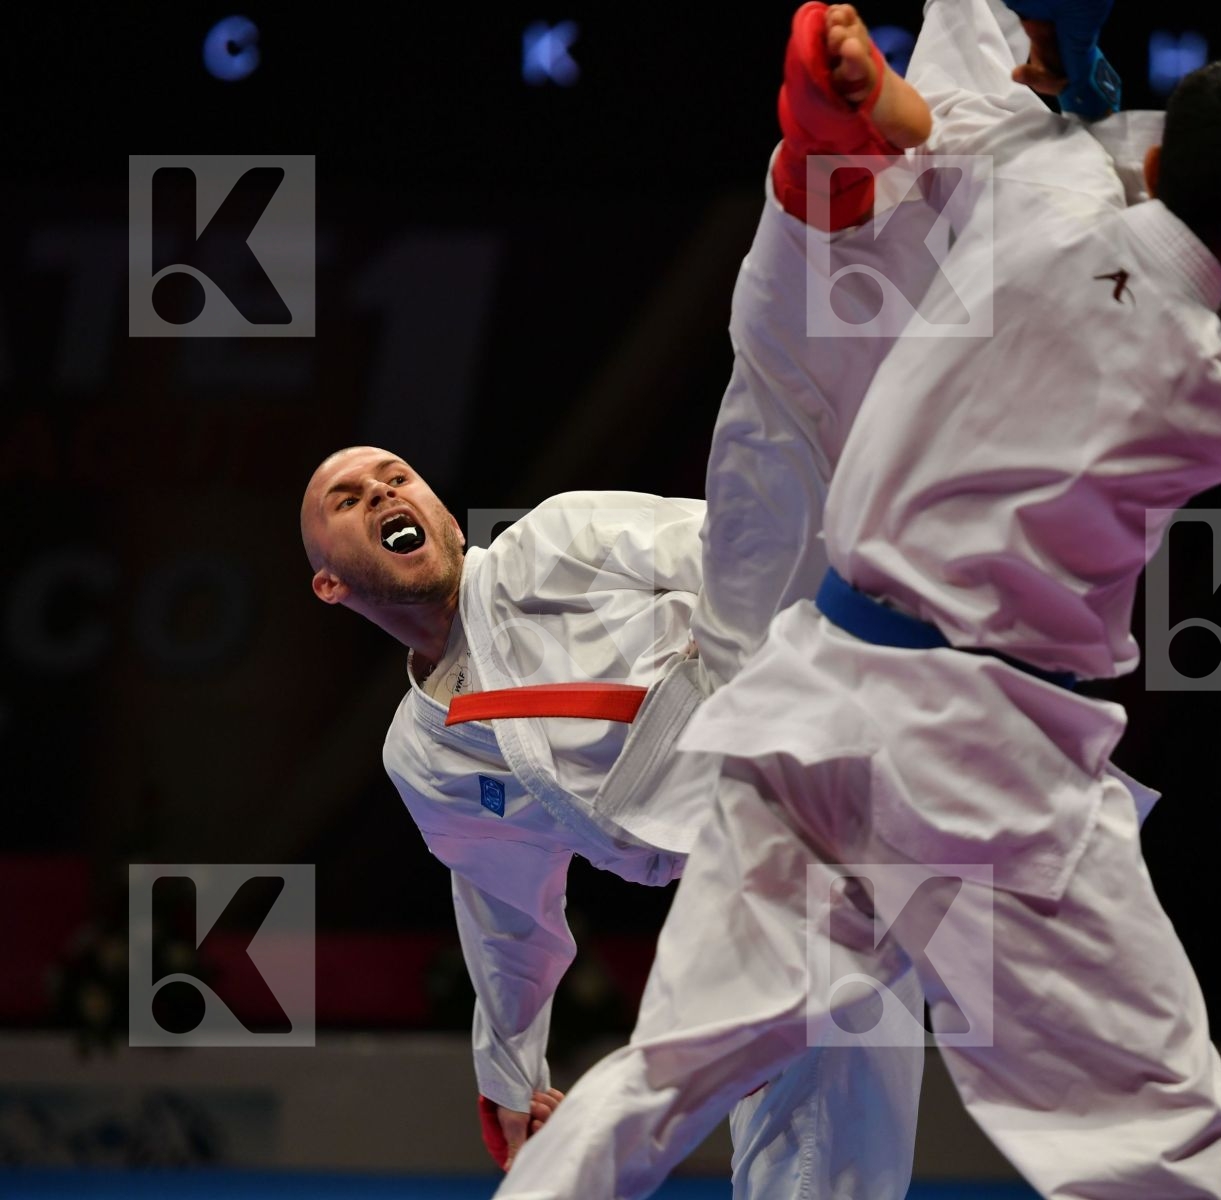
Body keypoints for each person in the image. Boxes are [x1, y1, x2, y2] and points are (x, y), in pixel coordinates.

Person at [492, 0, 1221, 1195]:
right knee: (1157, 1131)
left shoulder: (1039, 201)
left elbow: (994, 141)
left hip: (814, 693)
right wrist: (1074, 107)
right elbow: (1200, 261)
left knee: (663, 1074)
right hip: (988, 766)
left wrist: (948, 95)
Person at [293, 11, 941, 1195]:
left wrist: (860, 600)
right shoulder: (426, 755)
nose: (384, 483)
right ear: (331, 580)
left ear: (441, 509)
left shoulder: (552, 542)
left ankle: (823, 178)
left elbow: (750, 538)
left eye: (395, 471)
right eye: (347, 493)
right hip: (774, 865)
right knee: (822, 1149)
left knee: (767, 453)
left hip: (784, 679)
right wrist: (506, 1068)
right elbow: (507, 915)